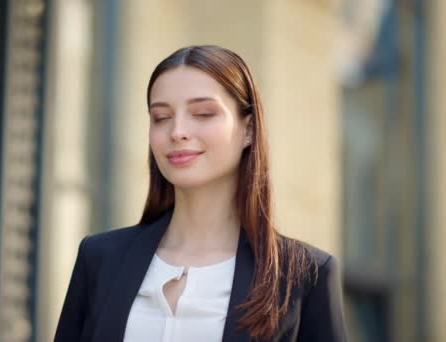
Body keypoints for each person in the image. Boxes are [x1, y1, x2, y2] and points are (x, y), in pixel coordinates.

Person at [54, 45, 347, 342]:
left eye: (203, 113)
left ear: (248, 129)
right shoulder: (100, 258)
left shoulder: (304, 275)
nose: (177, 131)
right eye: (161, 117)